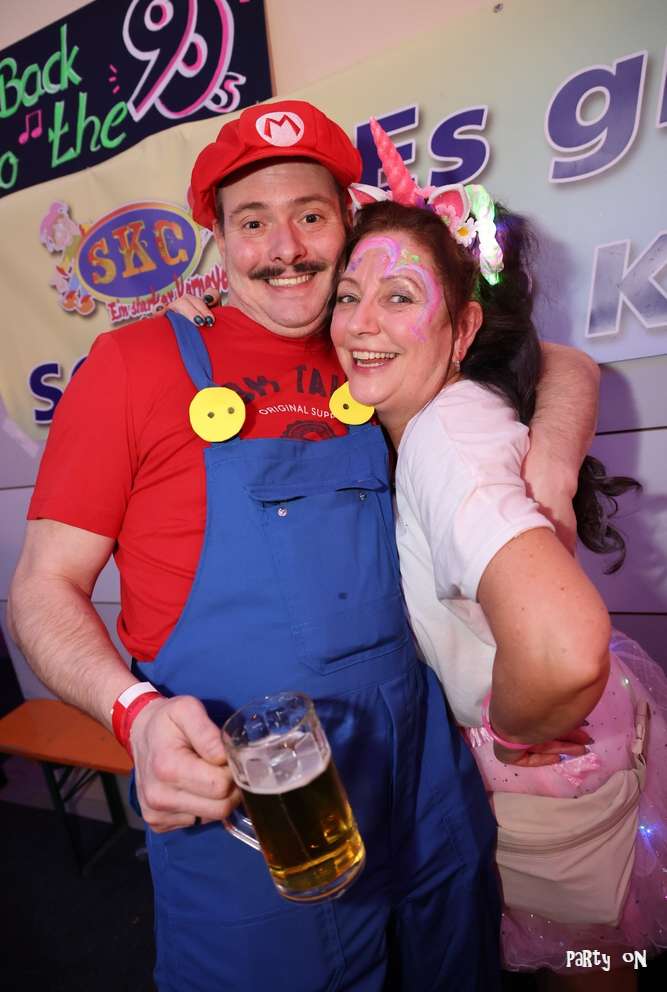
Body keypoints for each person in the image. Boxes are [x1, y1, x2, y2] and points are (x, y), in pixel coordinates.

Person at [8, 100, 601, 992]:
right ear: (217, 237)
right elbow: (41, 588)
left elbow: (559, 363)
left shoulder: (371, 345)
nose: (283, 247)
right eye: (252, 222)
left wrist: (549, 467)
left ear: (345, 224)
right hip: (252, 806)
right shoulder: (133, 366)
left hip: (426, 789)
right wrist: (133, 714)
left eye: (310, 216)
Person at [326, 122, 667, 990]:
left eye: (399, 296)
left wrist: (514, 730)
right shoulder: (448, 406)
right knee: (604, 950)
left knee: (592, 966)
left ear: (462, 326)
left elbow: (559, 648)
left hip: (549, 752)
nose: (359, 323)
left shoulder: (443, 439)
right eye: (348, 295)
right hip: (580, 739)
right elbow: (565, 361)